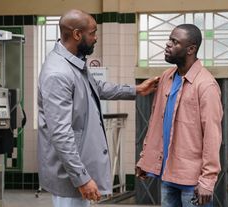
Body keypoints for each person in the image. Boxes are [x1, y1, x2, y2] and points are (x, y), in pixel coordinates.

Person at [37, 9, 159, 207]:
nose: (96, 38)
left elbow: (98, 87)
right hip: (69, 177)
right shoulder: (58, 74)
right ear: (77, 34)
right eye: (93, 33)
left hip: (77, 170)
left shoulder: (73, 63)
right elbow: (60, 134)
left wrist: (136, 89)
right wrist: (82, 178)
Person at [136, 24, 223, 207]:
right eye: (169, 39)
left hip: (193, 182)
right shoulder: (166, 77)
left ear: (191, 49)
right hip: (168, 175)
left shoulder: (206, 85)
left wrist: (208, 180)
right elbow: (155, 122)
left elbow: (212, 135)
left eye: (175, 42)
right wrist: (146, 158)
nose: (167, 45)